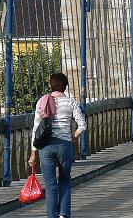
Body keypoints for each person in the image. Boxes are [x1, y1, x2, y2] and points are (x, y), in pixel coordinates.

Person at [28, 72, 86, 218]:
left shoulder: (42, 100)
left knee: (51, 184)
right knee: (65, 180)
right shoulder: (71, 102)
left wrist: (33, 152)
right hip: (64, 146)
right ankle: (63, 214)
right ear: (65, 86)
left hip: (46, 147)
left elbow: (36, 129)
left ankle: (51, 216)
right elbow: (82, 124)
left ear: (51, 85)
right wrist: (74, 136)